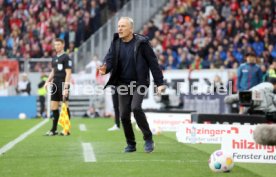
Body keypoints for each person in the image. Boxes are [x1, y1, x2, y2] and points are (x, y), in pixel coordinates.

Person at [98, 17, 166, 153]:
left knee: (135, 108)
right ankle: (131, 144)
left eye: (123, 26)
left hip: (139, 83)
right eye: (118, 26)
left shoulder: (142, 43)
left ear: (131, 29)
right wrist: (105, 67)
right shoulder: (116, 42)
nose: (120, 29)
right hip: (122, 84)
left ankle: (148, 138)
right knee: (123, 115)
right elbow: (109, 59)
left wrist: (159, 83)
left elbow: (153, 63)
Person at [44, 38, 73, 136]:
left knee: (65, 106)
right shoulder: (54, 58)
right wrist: (47, 81)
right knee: (53, 107)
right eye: (55, 45)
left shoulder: (66, 58)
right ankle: (54, 129)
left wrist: (66, 88)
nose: (56, 46)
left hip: (62, 84)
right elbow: (53, 71)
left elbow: (68, 74)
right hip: (55, 84)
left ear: (63, 45)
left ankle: (66, 129)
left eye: (58, 44)